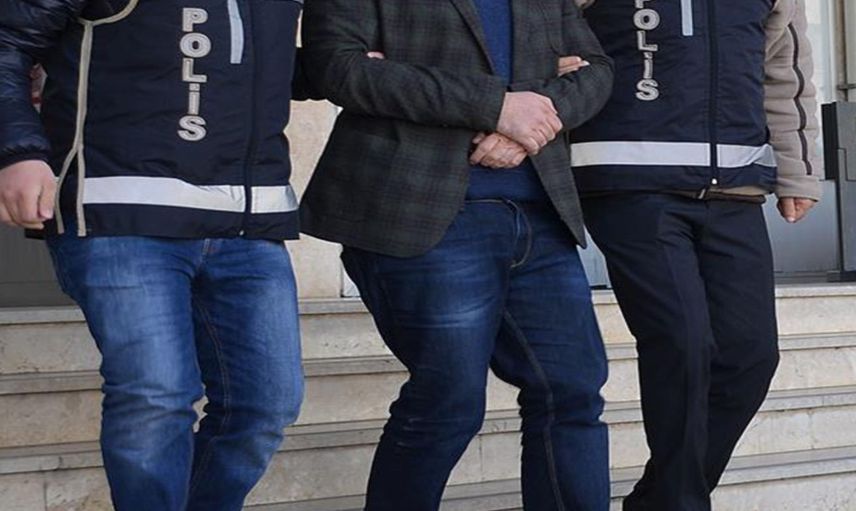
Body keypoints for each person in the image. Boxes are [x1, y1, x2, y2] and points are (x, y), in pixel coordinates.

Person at [300, 1, 614, 510]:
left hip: (539, 213)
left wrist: (529, 121)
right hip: (422, 210)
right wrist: (496, 107)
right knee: (448, 403)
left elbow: (596, 70)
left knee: (572, 391)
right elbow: (338, 68)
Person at [0, 2, 309, 509]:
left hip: (249, 221)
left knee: (265, 405)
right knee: (157, 397)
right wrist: (18, 152)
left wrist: (357, 64)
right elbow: (8, 40)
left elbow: (256, 60)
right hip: (121, 210)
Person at [570, 1, 822, 510]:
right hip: (631, 184)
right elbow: (541, 29)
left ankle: (661, 500)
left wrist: (798, 171)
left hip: (735, 190)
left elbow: (785, 74)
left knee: (750, 356)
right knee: (681, 343)